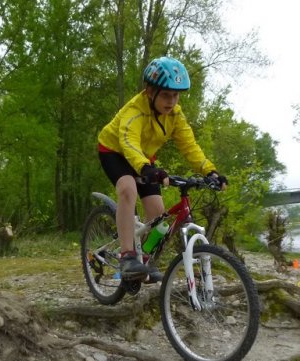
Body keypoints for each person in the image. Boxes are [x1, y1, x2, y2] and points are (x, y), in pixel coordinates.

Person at [97, 56, 227, 281]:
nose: (172, 101)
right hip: (114, 151)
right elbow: (128, 142)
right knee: (128, 189)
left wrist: (210, 171)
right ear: (149, 91)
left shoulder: (175, 115)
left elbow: (189, 146)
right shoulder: (134, 110)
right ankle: (127, 257)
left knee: (158, 214)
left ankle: (143, 260)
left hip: (143, 159)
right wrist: (145, 168)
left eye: (175, 95)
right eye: (166, 95)